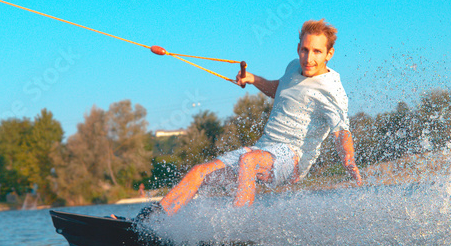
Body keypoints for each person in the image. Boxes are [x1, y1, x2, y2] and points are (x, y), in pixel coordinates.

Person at [139, 19, 362, 220]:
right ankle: (152, 221)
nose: (309, 58)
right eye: (305, 50)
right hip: (264, 149)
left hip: (293, 157)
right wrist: (253, 79)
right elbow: (279, 89)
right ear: (298, 49)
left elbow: (342, 131)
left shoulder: (331, 89)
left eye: (317, 52)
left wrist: (348, 160)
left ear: (328, 54)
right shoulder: (293, 67)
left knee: (249, 161)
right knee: (200, 172)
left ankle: (237, 229)